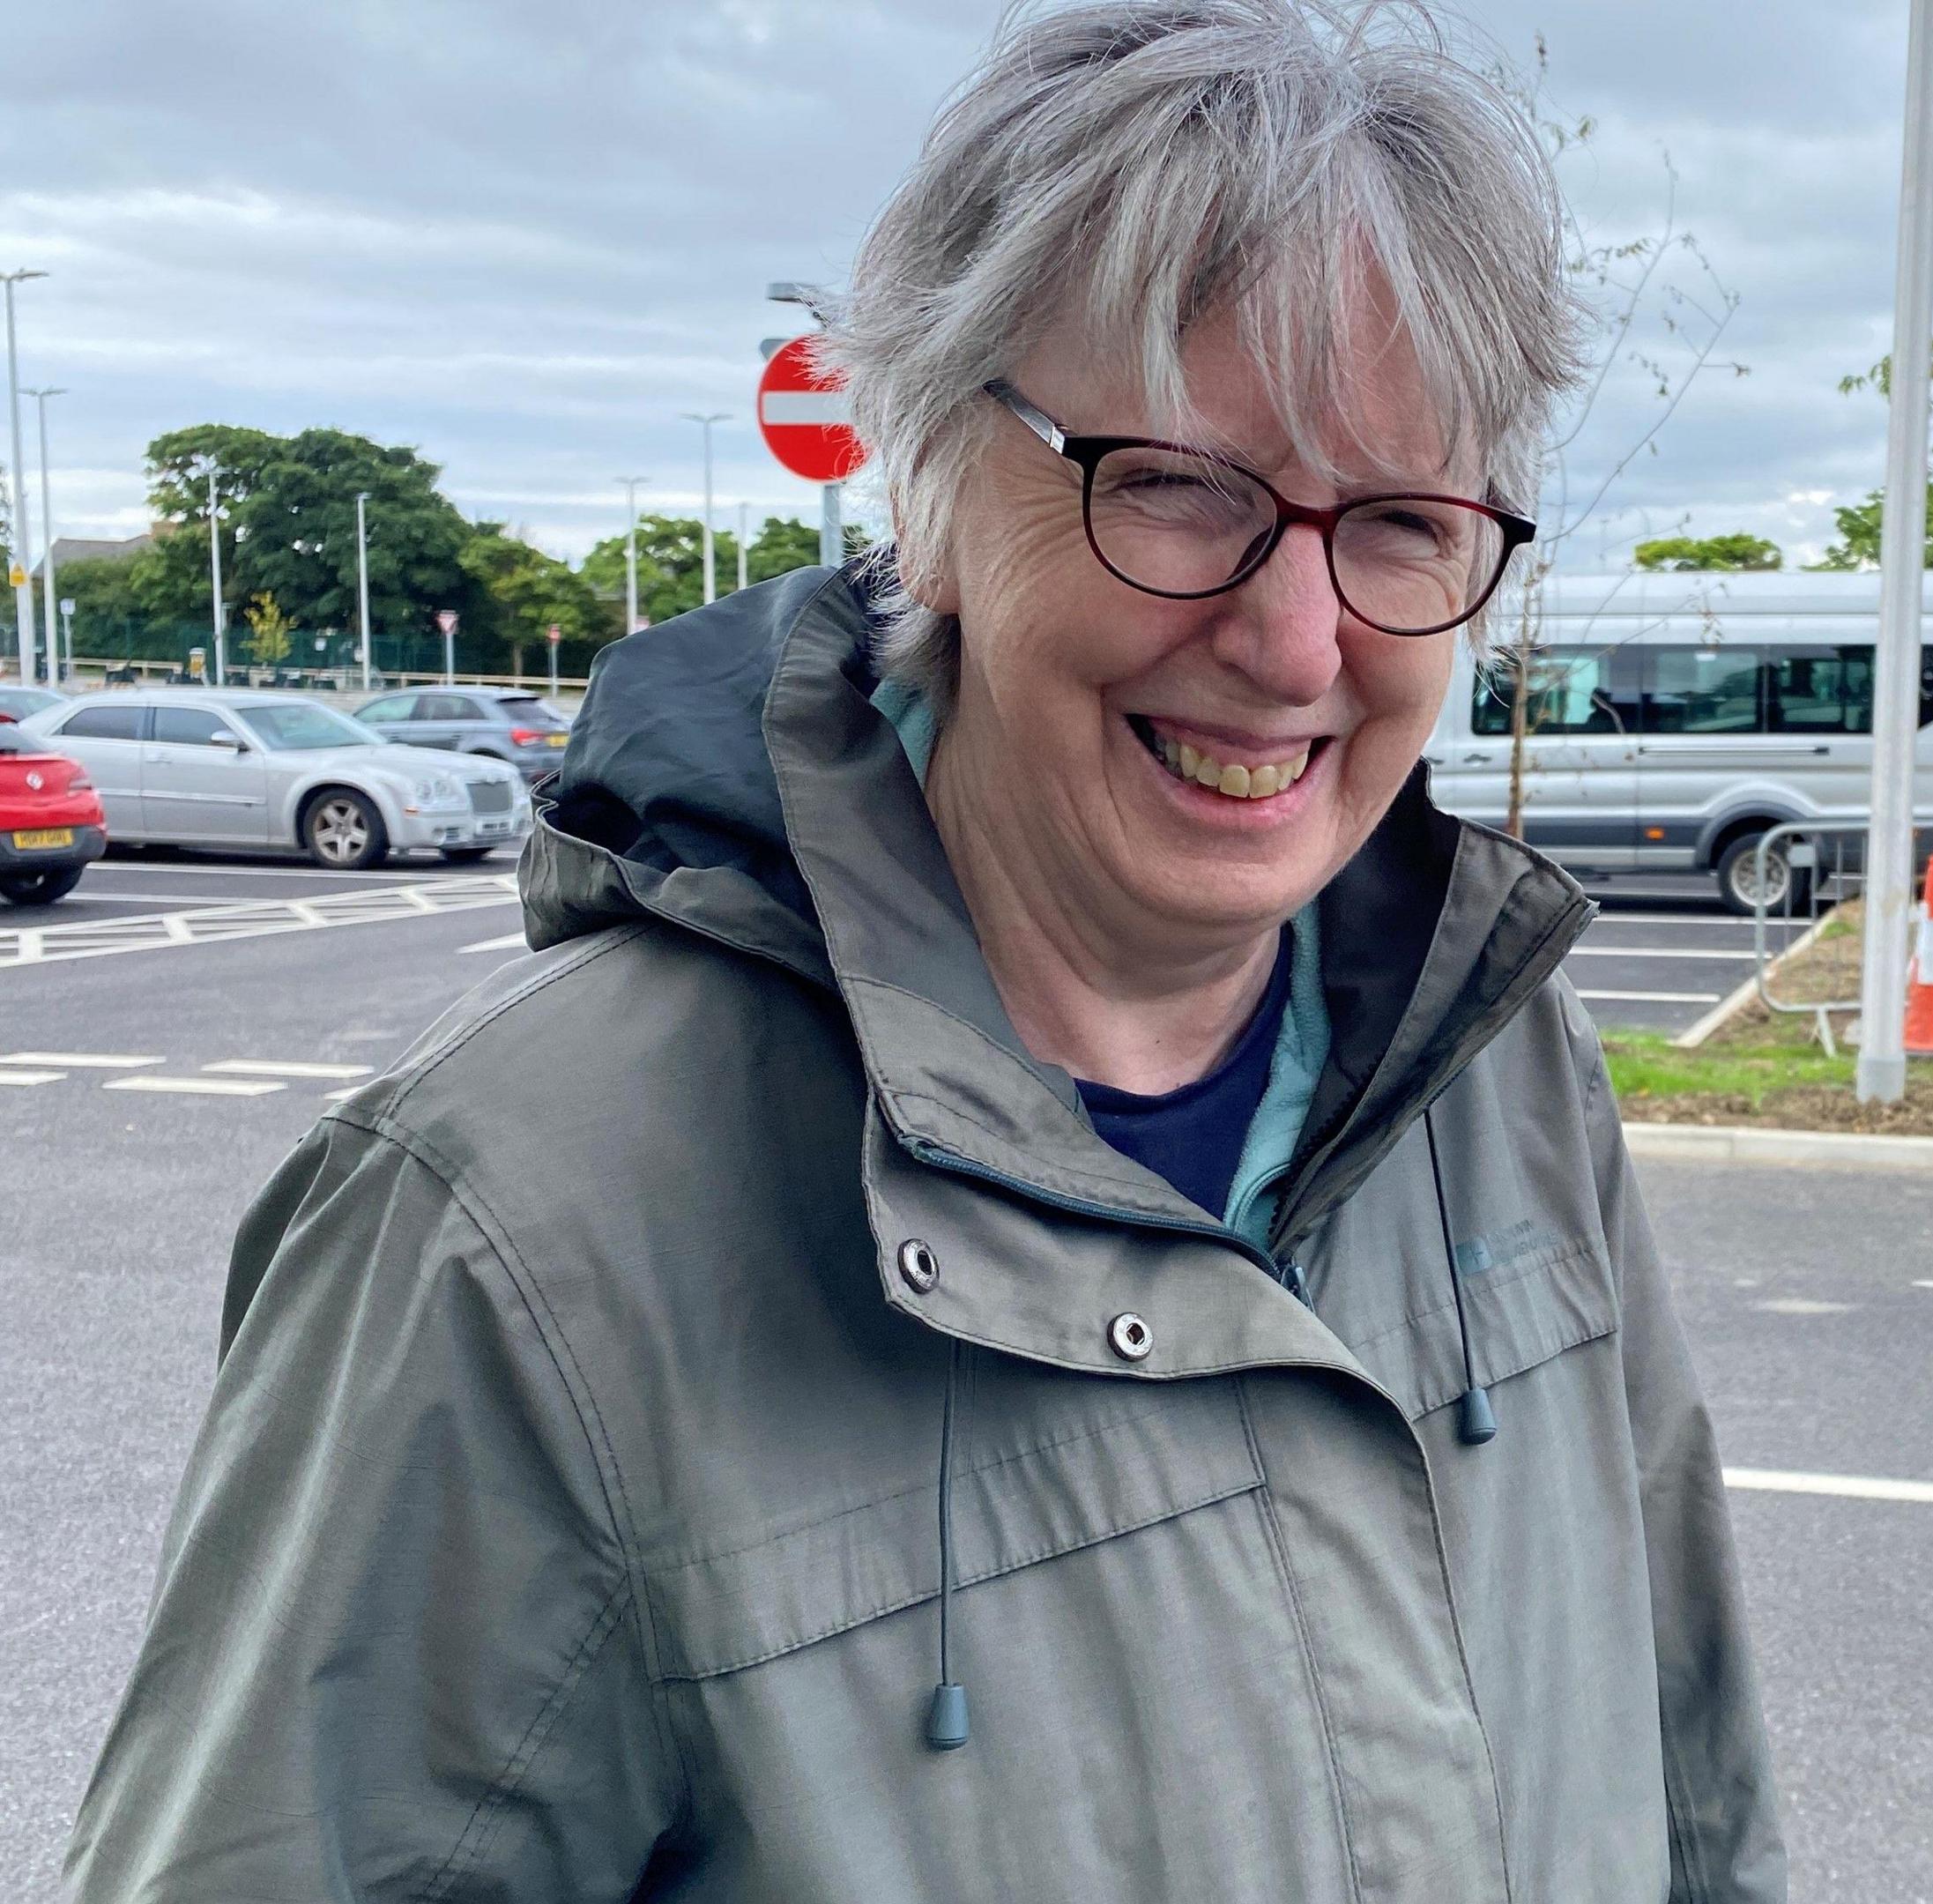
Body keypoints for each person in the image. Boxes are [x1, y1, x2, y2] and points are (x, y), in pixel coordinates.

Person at [64, 3, 1787, 1897]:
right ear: (932, 492)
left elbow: (1688, 1774)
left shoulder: (1500, 1070)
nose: (1300, 645)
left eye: (1396, 522)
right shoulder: (513, 1228)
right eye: (1180, 485)